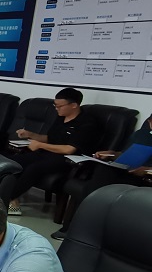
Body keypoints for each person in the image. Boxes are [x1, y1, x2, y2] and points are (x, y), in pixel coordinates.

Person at [53, 110, 152, 239]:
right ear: (149, 122)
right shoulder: (142, 135)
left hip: (144, 178)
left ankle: (78, 230)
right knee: (101, 173)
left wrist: (147, 170)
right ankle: (74, 228)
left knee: (98, 185)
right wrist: (111, 154)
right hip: (125, 169)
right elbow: (125, 153)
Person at [8, 87, 97, 215]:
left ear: (74, 105)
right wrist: (31, 134)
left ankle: (8, 198)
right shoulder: (61, 117)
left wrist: (40, 145)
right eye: (55, 105)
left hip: (68, 159)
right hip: (48, 153)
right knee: (13, 162)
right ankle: (3, 194)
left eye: (60, 106)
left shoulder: (87, 123)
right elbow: (50, 139)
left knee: (34, 168)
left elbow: (69, 149)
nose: (56, 108)